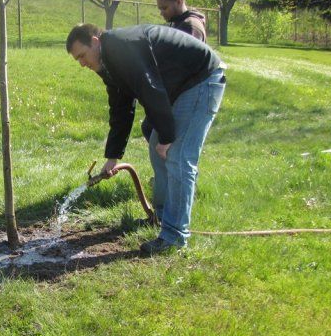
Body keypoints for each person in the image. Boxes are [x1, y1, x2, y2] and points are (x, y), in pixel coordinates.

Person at [66, 23, 226, 254]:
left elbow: (150, 87)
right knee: (156, 148)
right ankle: (161, 218)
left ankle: (174, 236)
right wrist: (113, 156)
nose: (82, 64)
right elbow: (121, 109)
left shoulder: (122, 46)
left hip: (201, 80)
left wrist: (167, 136)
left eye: (82, 55)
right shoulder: (108, 63)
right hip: (179, 87)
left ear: (95, 40)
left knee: (178, 157)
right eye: (77, 60)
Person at [140, 0, 209, 143]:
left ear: (179, 1)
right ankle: (166, 162)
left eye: (164, 8)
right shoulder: (179, 23)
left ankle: (170, 162)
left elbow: (185, 65)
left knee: (155, 130)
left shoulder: (190, 26)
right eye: (160, 9)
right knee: (149, 127)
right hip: (176, 89)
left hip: (187, 91)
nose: (162, 12)